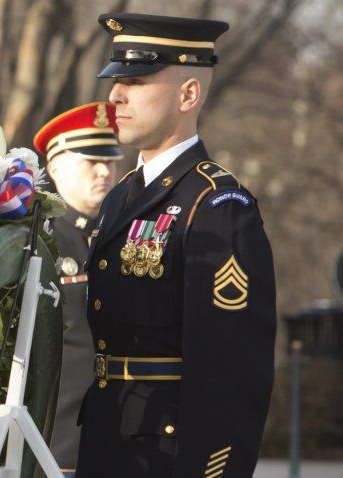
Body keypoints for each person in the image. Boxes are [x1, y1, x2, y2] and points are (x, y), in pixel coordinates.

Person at [77, 13, 276, 478]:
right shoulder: (122, 197)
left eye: (138, 81)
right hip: (109, 442)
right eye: (116, 80)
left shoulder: (218, 206)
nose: (115, 95)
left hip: (169, 458)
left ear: (189, 94)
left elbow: (231, 372)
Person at [32, 102, 123, 478]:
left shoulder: (122, 237)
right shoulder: (40, 242)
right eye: (90, 161)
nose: (104, 171)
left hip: (120, 441)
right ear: (55, 168)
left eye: (111, 161)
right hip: (57, 445)